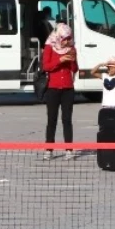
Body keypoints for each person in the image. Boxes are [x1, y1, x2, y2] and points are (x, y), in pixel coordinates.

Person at [41, 23, 78, 161]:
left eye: (69, 38)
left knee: (67, 120)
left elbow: (74, 69)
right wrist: (60, 59)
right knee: (52, 120)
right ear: (59, 37)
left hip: (68, 88)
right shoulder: (49, 47)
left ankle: (69, 149)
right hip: (53, 88)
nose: (68, 41)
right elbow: (46, 66)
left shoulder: (71, 48)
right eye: (65, 38)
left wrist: (72, 60)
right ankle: (49, 149)